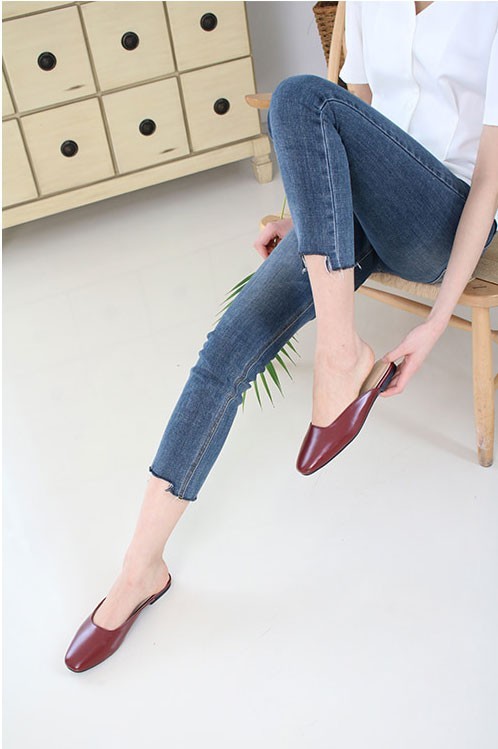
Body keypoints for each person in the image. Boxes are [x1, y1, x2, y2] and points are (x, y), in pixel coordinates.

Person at [64, 0, 498, 672]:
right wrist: (303, 219)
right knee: (228, 348)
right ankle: (139, 569)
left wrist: (437, 317)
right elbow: (354, 115)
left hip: (440, 217)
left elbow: (492, 176)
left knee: (298, 93)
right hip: (359, 214)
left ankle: (339, 352)